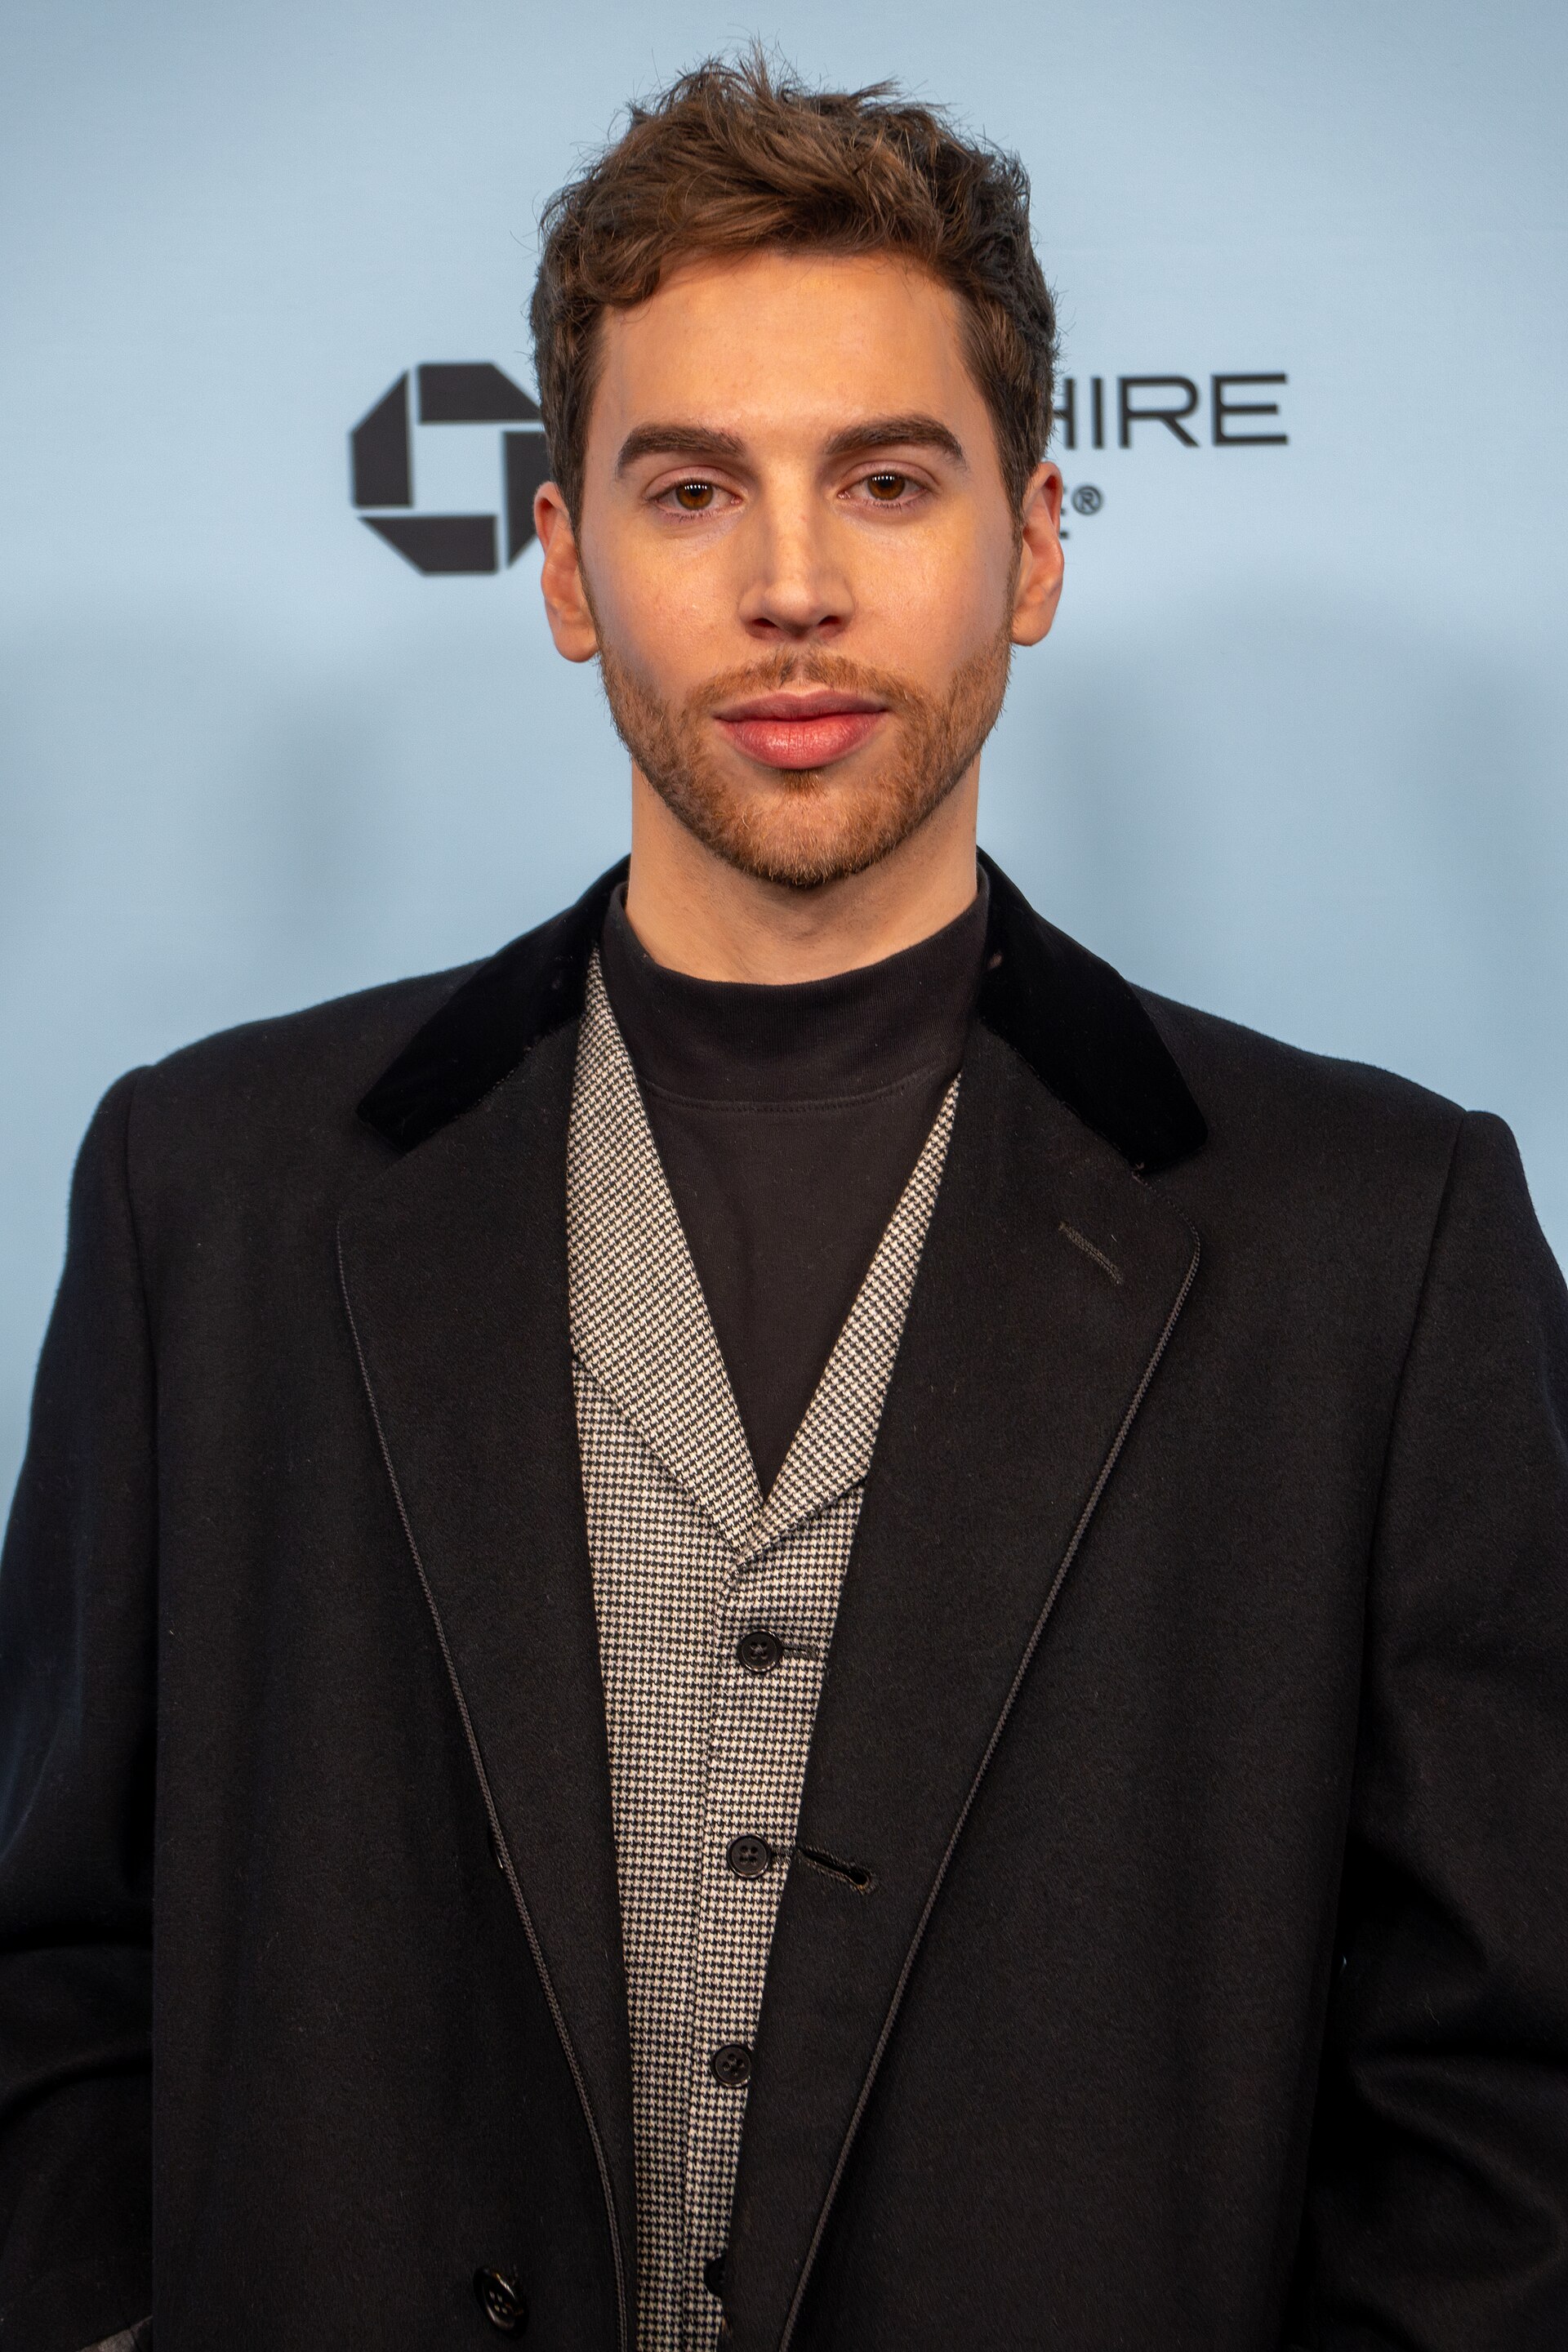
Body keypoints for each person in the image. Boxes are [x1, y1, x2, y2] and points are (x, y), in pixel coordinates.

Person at [2, 51, 1565, 2352]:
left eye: (888, 481)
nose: (796, 589)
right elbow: (55, 1975)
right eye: (695, 489)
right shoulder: (207, 1193)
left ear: (1036, 544)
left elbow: (1495, 2092)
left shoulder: (1383, 1235)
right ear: (566, 563)